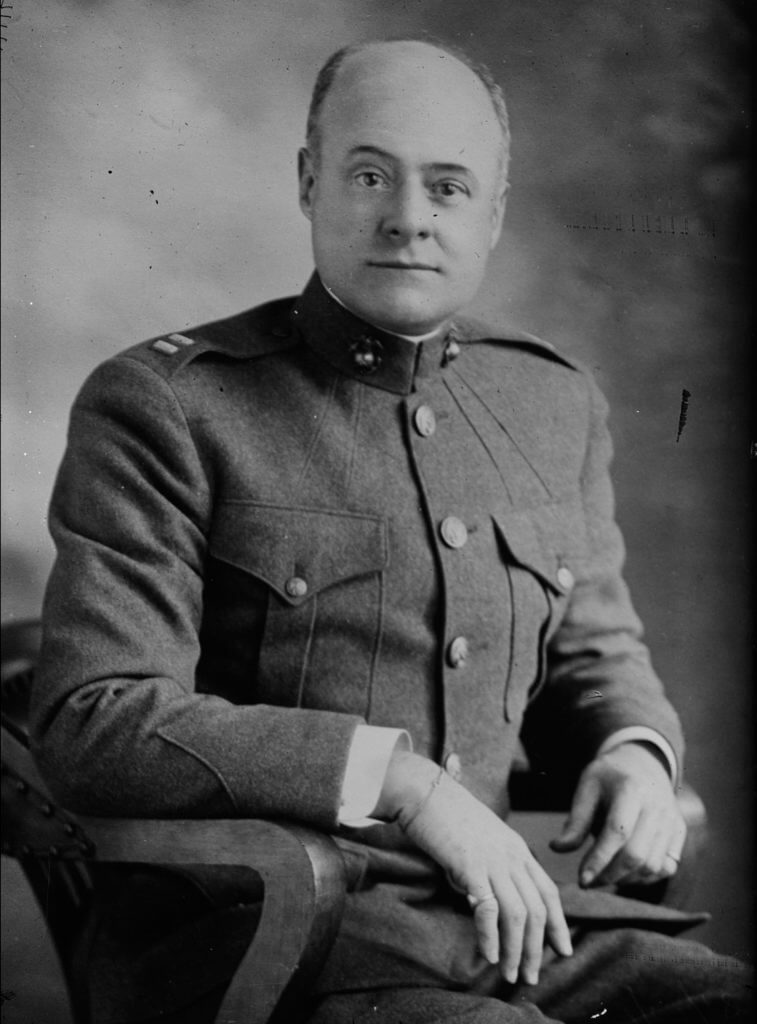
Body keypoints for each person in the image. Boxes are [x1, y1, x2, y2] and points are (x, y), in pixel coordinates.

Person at [30, 37, 751, 1024]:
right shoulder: (167, 404)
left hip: (517, 928)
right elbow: (94, 718)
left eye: (448, 188)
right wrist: (397, 780)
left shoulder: (551, 401)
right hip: (275, 943)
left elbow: (593, 650)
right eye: (370, 174)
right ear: (308, 181)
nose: (407, 218)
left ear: (492, 214)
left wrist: (635, 750)